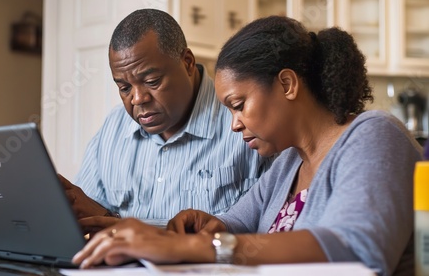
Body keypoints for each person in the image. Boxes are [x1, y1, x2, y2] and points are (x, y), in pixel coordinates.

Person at [71, 16, 422, 276]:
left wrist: (194, 246)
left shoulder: (374, 134)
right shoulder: (289, 162)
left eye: (239, 105)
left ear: (286, 84)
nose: (234, 123)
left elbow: (356, 249)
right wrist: (204, 227)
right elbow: (235, 222)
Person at [60, 9, 274, 231]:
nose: (137, 99)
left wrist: (120, 225)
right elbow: (88, 218)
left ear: (188, 62)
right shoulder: (113, 129)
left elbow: (267, 230)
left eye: (152, 81)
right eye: (124, 88)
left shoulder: (245, 123)